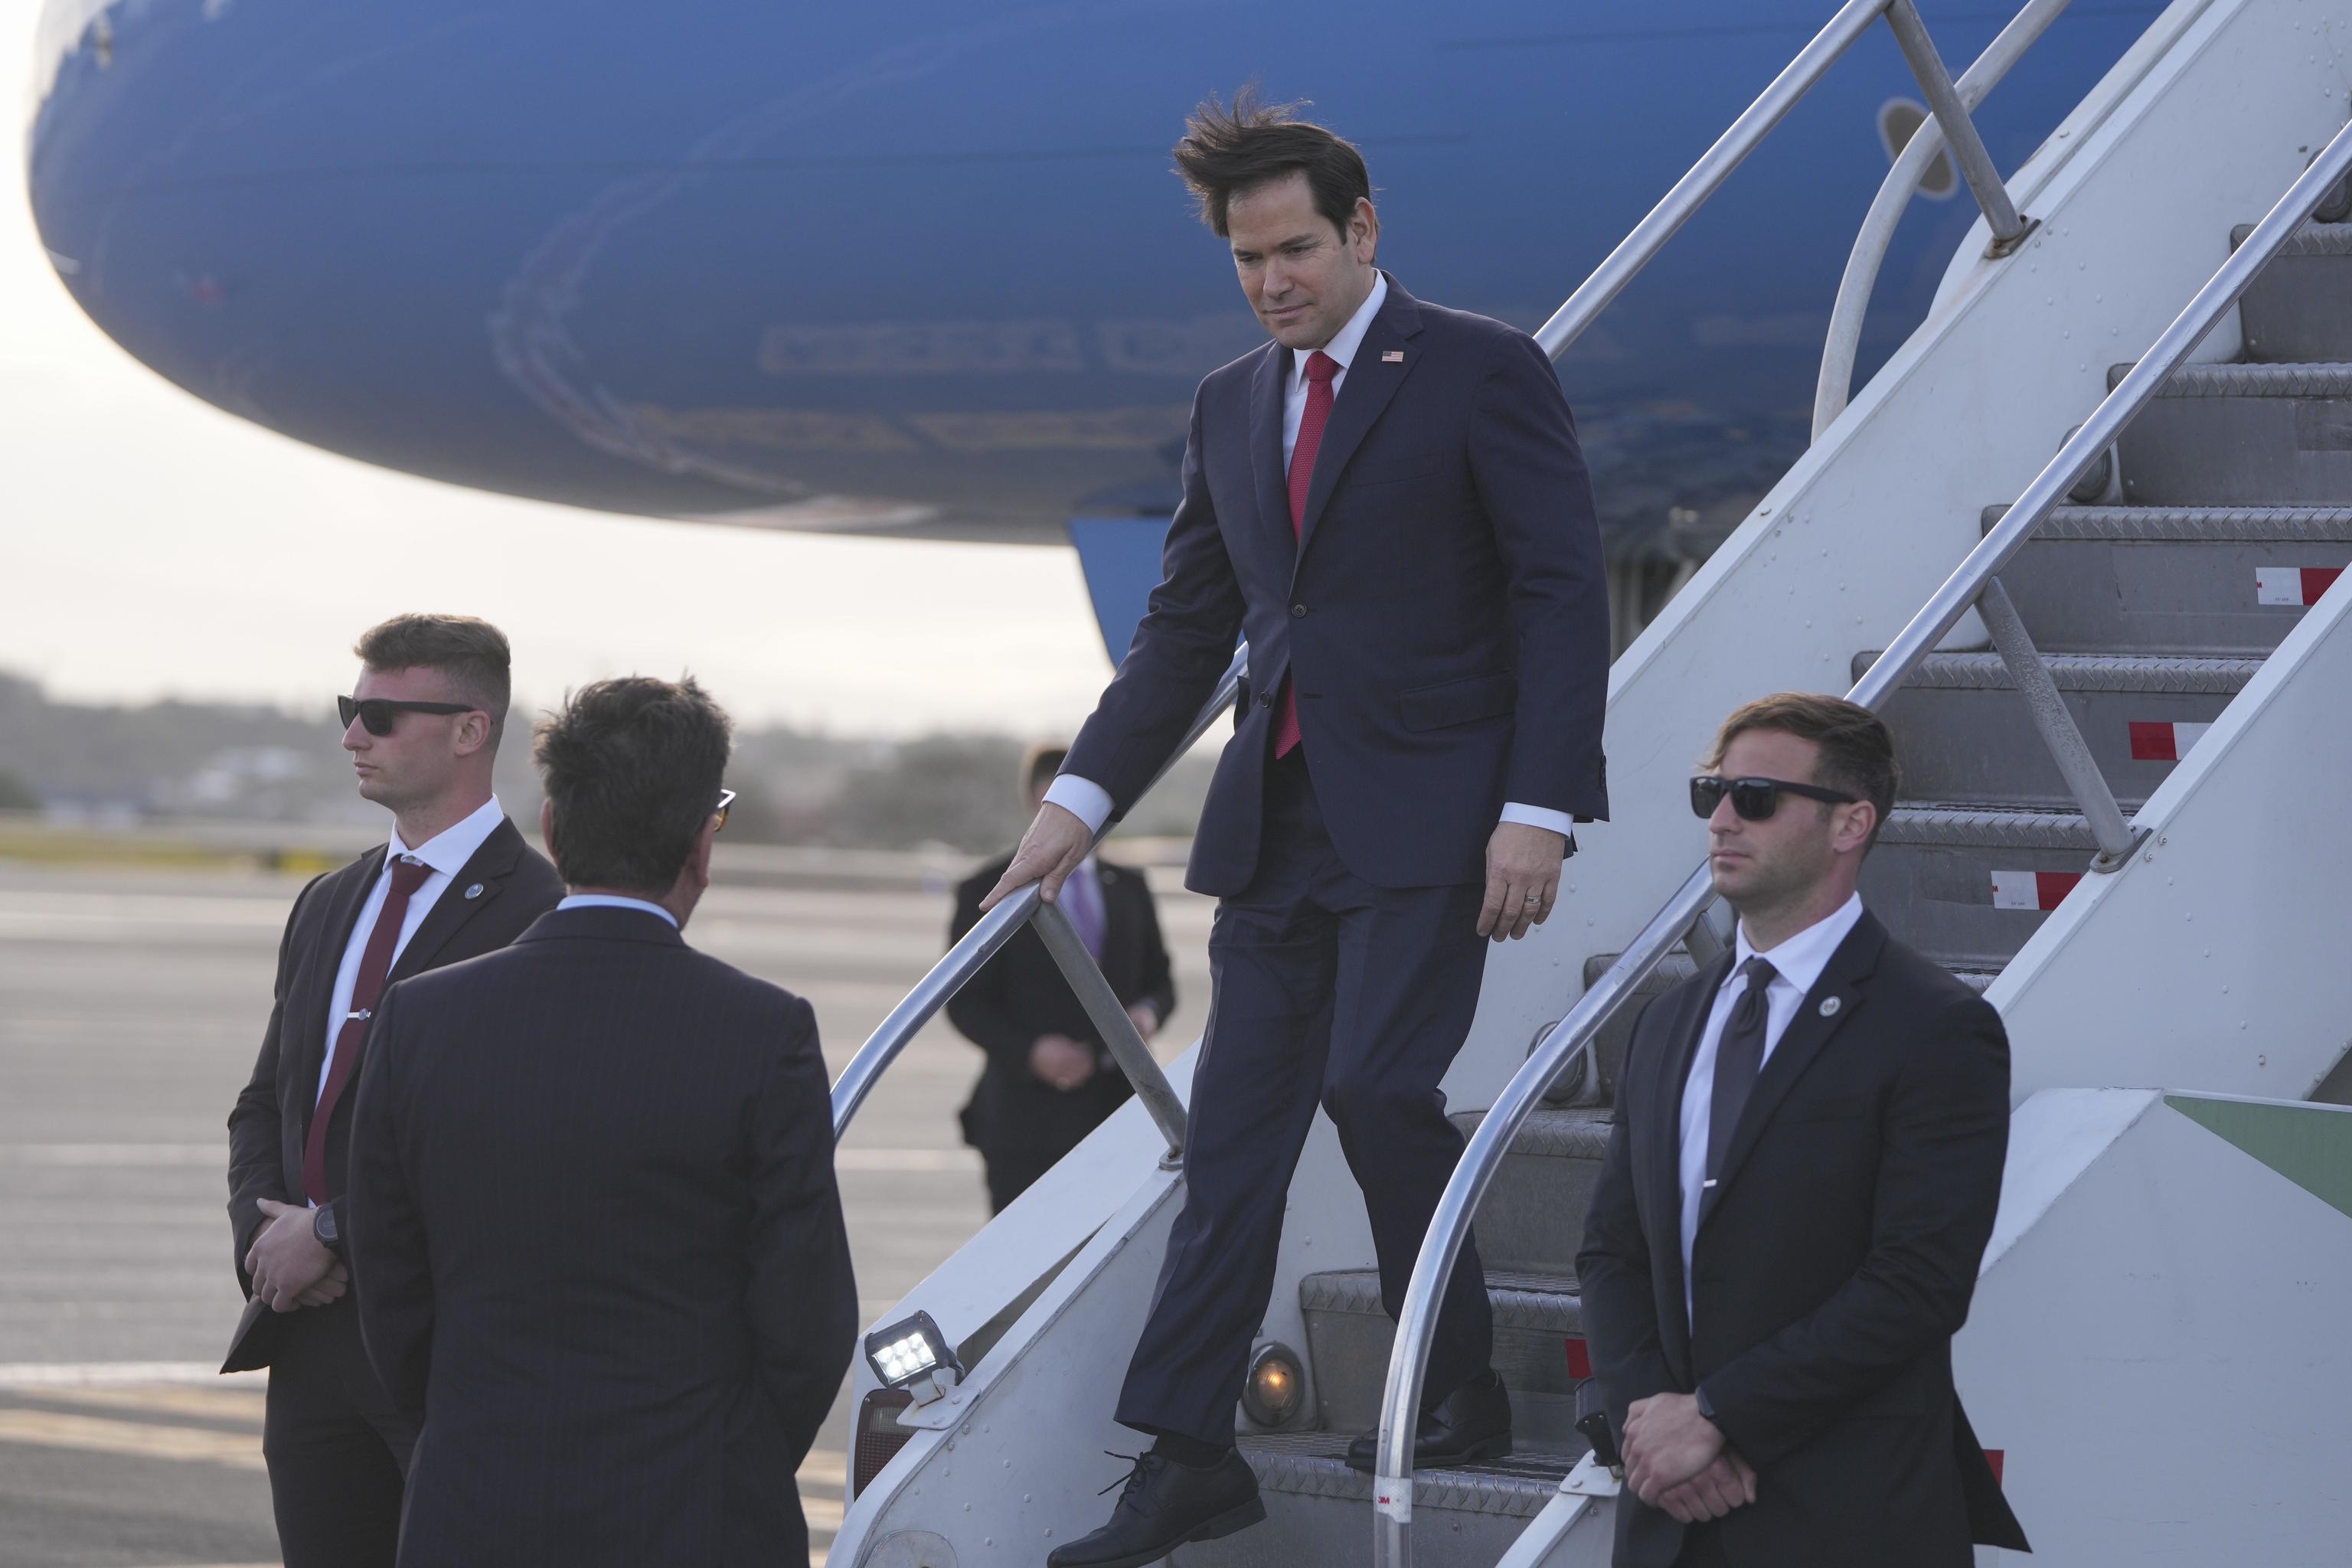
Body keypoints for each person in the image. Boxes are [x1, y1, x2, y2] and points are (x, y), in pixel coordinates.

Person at [985, 93, 1611, 1566]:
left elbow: (1558, 590)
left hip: (1436, 815)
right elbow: (1185, 627)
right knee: (1231, 1147)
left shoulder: (1474, 369)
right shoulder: (1227, 403)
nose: (1272, 280)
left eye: (1295, 249)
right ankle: (1185, 1450)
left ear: (1361, 230)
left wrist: (1537, 806)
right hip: (1275, 821)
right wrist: (1075, 804)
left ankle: (1447, 1368)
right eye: (1246, 258)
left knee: (1378, 1085)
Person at [344, 675, 857, 1568]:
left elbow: (392, 1287)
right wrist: (731, 1454)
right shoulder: (763, 1030)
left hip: (474, 1498)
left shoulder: (420, 1018)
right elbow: (806, 1316)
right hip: (697, 1507)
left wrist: (470, 1423)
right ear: (703, 841)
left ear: (550, 825)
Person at [1576, 694, 2031, 1567]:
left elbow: (1919, 1282)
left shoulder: (1937, 1025)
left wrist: (1716, 1416)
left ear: (1850, 823)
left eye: (1755, 795)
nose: (1720, 818)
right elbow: (1610, 1251)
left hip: (1845, 1515)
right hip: (1673, 1520)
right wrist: (1658, 1431)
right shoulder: (1667, 1022)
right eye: (1712, 790)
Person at [224, 613, 564, 1568]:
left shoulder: (543, 916)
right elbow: (265, 1102)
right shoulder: (330, 899)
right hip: (311, 1339)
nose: (352, 735)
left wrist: (331, 1232)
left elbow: (513, 1148)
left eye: (378, 712)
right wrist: (267, 1242)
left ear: (469, 730)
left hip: (450, 1349)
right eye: (349, 708)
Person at [950, 744, 1178, 1212]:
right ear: (1039, 800)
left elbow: (1162, 981)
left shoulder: (1130, 887)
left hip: (1121, 1110)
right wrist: (1032, 1053)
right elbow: (965, 1004)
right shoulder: (986, 888)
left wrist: (1148, 1016)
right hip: (1024, 1118)